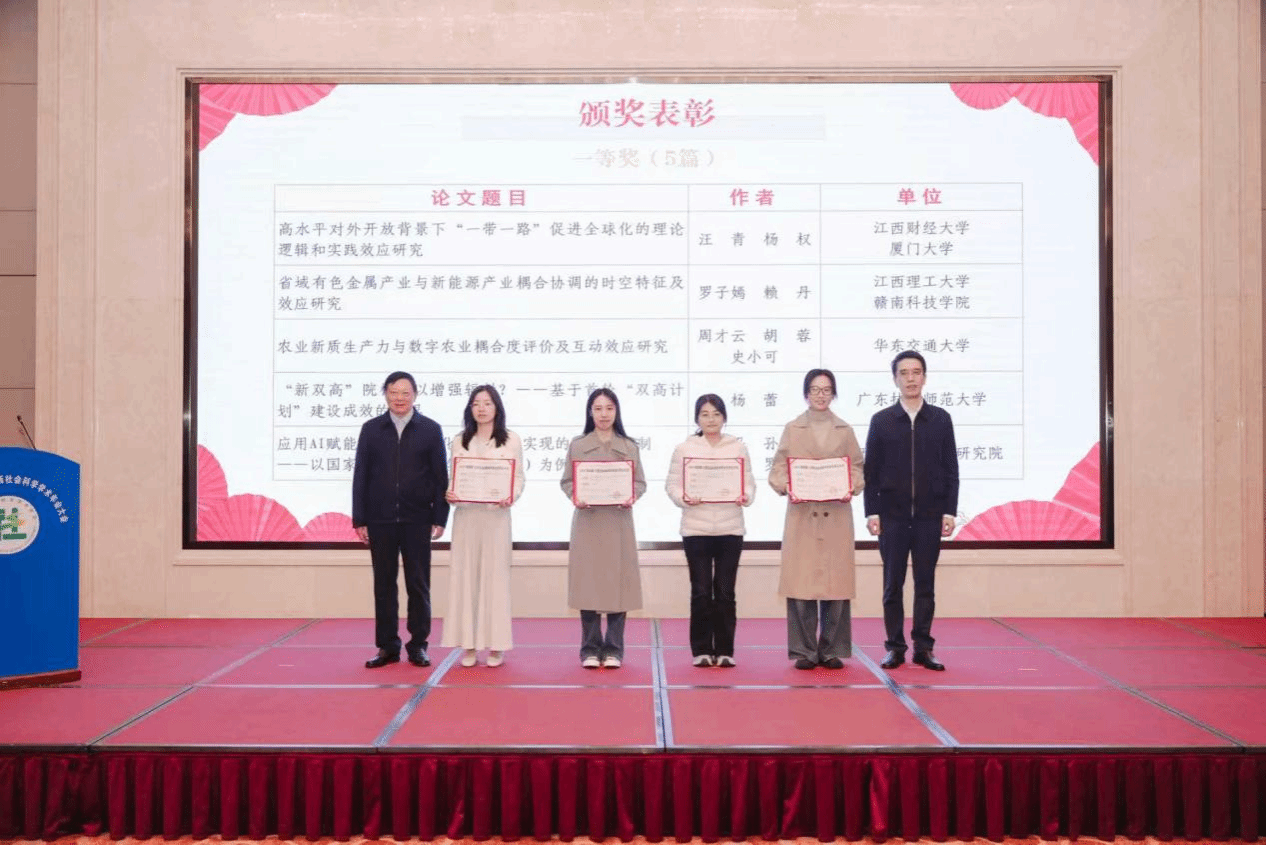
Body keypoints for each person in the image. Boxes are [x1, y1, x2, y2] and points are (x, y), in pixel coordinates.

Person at [865, 350, 959, 672]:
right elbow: (871, 472)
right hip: (892, 517)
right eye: (904, 373)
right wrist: (872, 512)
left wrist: (950, 511)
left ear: (924, 377)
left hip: (930, 517)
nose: (910, 378)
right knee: (892, 586)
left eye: (916, 372)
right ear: (895, 379)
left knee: (925, 585)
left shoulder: (941, 419)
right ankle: (894, 647)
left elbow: (951, 469)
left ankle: (923, 647)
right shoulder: (881, 421)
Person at [767, 369, 864, 670]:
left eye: (826, 390)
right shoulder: (792, 429)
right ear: (805, 393)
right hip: (803, 515)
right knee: (801, 587)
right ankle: (804, 651)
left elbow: (858, 467)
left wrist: (851, 484)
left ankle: (832, 649)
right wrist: (787, 484)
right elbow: (778, 468)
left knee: (836, 587)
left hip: (835, 515)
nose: (820, 395)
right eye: (814, 389)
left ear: (834, 394)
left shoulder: (845, 430)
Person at [352, 371, 450, 669]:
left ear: (415, 395)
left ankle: (418, 645)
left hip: (417, 519)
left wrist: (440, 516)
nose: (399, 398)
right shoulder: (371, 429)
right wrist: (360, 518)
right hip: (379, 519)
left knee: (418, 584)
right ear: (385, 394)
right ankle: (387, 646)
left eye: (405, 392)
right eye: (394, 392)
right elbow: (361, 475)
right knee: (383, 584)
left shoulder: (430, 429)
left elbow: (440, 477)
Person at [664, 394, 756, 667]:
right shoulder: (684, 449)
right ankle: (702, 650)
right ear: (697, 419)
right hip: (696, 529)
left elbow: (749, 482)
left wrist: (746, 496)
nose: (711, 419)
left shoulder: (738, 447)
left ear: (724, 417)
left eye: (716, 414)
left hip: (730, 528)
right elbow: (672, 485)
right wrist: (683, 498)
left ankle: (725, 650)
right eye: (705, 414)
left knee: (726, 592)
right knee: (701, 591)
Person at [560, 388, 646, 668]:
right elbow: (567, 481)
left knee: (619, 587)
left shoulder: (629, 446)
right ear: (590, 412)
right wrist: (576, 495)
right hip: (589, 522)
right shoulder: (578, 445)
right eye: (598, 409)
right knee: (588, 586)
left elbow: (640, 482)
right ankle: (589, 649)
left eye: (609, 408)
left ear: (616, 411)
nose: (604, 414)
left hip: (618, 523)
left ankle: (614, 650)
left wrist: (631, 495)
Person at [442, 385, 525, 668]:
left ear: (497, 408)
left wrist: (510, 496)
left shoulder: (511, 440)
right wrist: (450, 492)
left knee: (495, 580)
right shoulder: (460, 440)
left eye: (487, 403)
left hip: (496, 519)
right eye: (476, 403)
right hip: (466, 518)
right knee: (466, 579)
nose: (481, 408)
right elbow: (453, 476)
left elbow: (518, 478)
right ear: (470, 409)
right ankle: (468, 645)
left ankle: (496, 645)